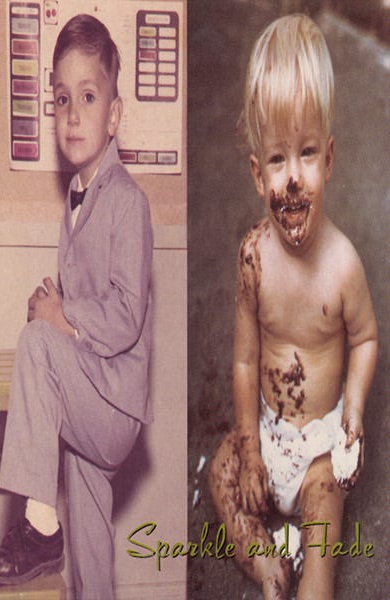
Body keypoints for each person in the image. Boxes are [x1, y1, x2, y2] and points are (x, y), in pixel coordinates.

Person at [0, 14, 155, 598]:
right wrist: (51, 309)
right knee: (91, 544)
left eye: (88, 97)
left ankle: (38, 528)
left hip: (114, 404)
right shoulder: (74, 202)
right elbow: (78, 308)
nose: (73, 114)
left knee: (36, 344)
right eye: (61, 100)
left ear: (115, 115)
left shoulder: (128, 200)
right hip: (88, 395)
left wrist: (59, 321)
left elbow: (126, 314)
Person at [206, 14, 375, 600]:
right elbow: (245, 361)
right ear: (258, 175)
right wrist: (251, 451)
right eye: (278, 160)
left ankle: (311, 582)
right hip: (266, 432)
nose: (294, 179)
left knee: (325, 526)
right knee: (220, 473)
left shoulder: (343, 265)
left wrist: (355, 408)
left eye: (306, 154)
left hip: (319, 452)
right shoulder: (253, 257)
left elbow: (366, 339)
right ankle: (268, 566)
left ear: (328, 160)